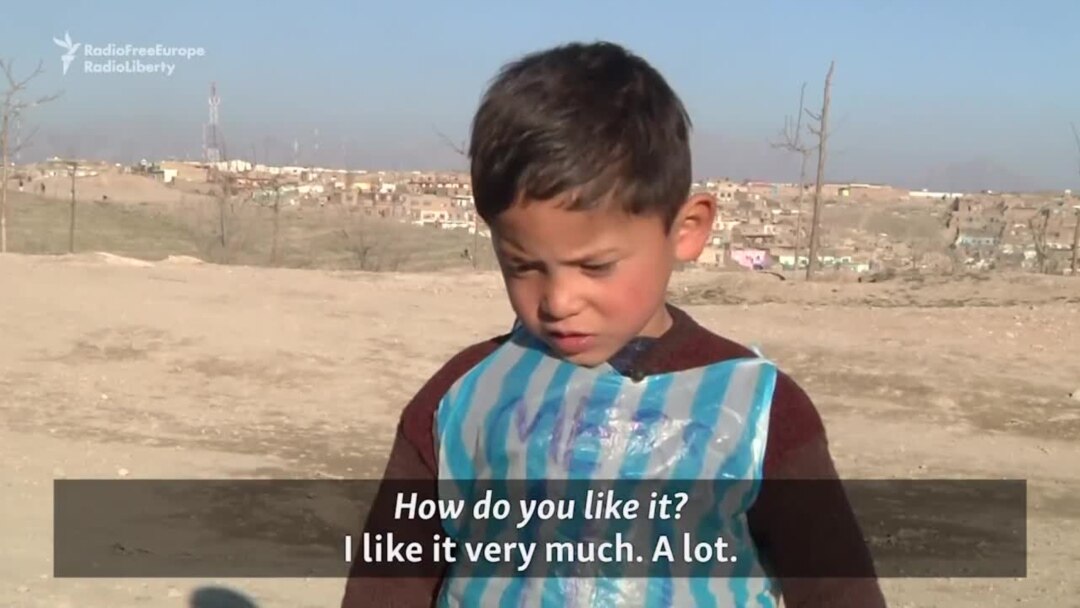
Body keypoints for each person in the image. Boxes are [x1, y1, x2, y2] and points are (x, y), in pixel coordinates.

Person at [342, 41, 886, 608]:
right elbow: (390, 579)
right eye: (523, 266)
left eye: (595, 266)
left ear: (687, 229)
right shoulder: (460, 400)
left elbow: (836, 589)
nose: (558, 300)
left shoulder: (758, 412)